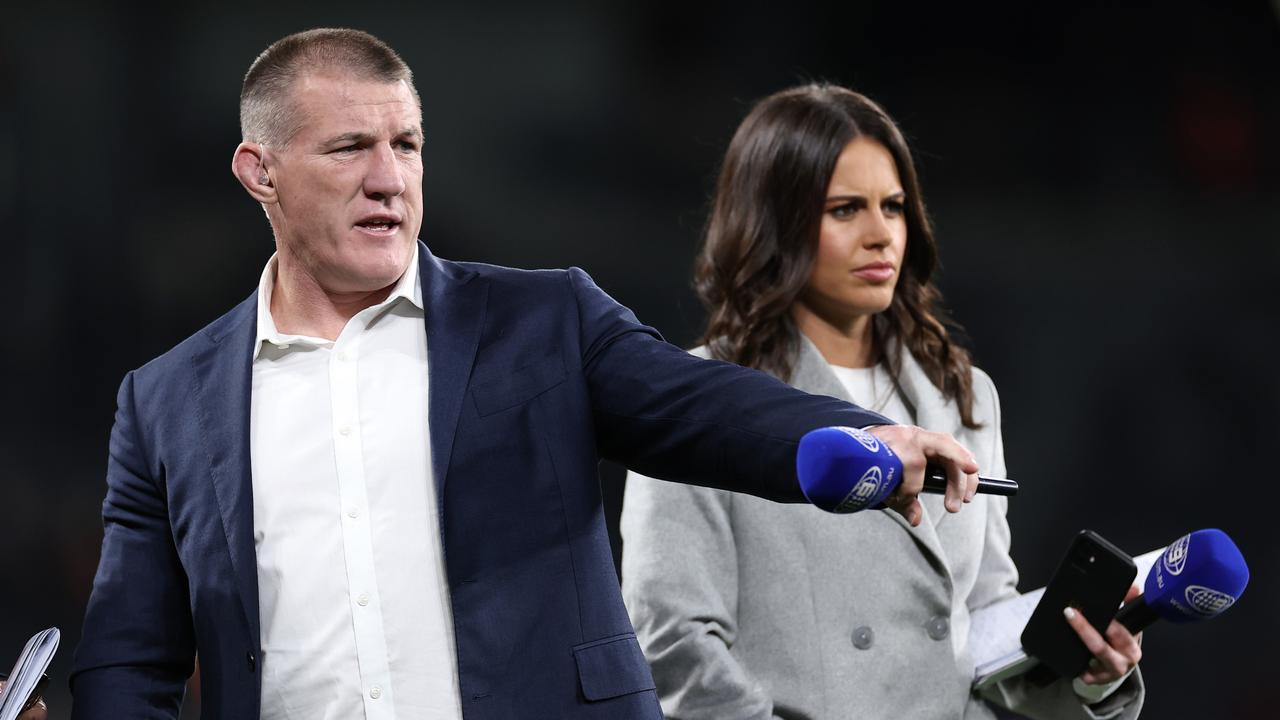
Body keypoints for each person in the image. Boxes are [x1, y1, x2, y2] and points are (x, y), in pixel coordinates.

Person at [67, 31, 984, 720]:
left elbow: (699, 404)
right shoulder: (165, 402)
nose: (390, 178)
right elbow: (128, 661)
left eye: (409, 145)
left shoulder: (544, 322)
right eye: (351, 148)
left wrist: (856, 441)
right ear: (258, 171)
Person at [621, 84, 1146, 720]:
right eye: (845, 210)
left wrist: (1088, 673)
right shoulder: (698, 403)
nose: (881, 235)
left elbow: (980, 628)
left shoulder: (965, 396)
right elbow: (673, 644)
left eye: (893, 206)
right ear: (773, 222)